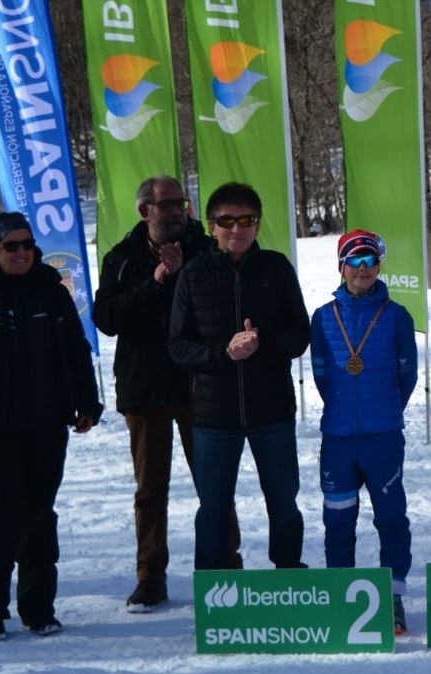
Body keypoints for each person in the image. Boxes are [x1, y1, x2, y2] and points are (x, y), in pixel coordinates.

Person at [0, 212, 102, 642]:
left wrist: (86, 403)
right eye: (11, 246)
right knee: (1, 519)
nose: (21, 254)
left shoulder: (53, 296)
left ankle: (38, 608)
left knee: (39, 517)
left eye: (27, 245)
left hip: (48, 426)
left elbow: (76, 351)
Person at [93, 176, 239, 612]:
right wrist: (156, 282)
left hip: (200, 385)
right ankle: (150, 577)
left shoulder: (206, 248)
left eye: (182, 203)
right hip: (145, 388)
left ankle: (225, 569)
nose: (178, 211)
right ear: (145, 211)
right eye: (168, 204)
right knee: (150, 489)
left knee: (214, 485)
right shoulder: (122, 258)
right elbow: (106, 317)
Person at [169, 182, 310, 571]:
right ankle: (213, 591)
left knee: (284, 503)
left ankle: (289, 577)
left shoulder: (277, 268)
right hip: (215, 417)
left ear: (257, 224)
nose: (237, 229)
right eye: (226, 221)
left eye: (245, 220)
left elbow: (300, 335)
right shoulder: (194, 275)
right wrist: (223, 352)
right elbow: (178, 346)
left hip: (273, 412)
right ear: (212, 227)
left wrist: (261, 344)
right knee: (213, 508)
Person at [310, 230, 417, 635]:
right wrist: (341, 410)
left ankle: (391, 598)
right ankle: (343, 594)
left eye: (370, 261)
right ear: (341, 267)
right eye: (354, 261)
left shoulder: (396, 316)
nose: (363, 269)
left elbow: (407, 375)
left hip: (383, 436)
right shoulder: (322, 317)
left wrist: (386, 411)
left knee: (390, 518)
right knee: (338, 520)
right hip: (338, 438)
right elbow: (321, 375)